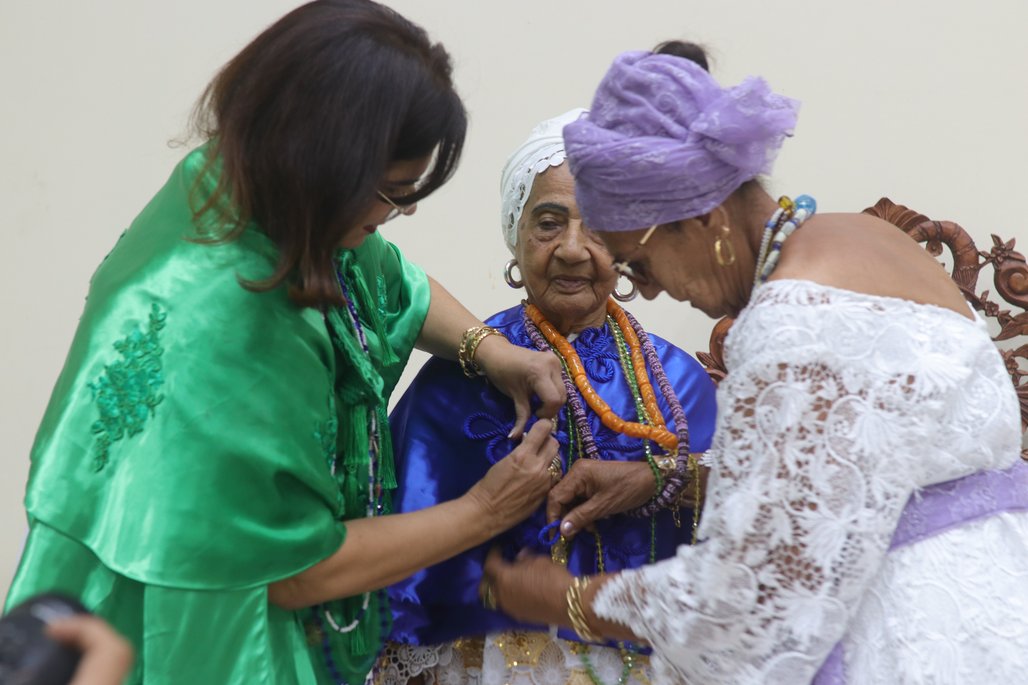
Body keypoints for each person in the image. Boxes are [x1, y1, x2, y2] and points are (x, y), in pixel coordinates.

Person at [3, 2, 566, 683]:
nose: (402, 213)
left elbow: (392, 282)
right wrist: (484, 511)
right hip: (184, 624)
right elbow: (297, 567)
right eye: (390, 193)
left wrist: (490, 349)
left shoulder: (251, 186)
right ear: (322, 164)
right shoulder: (225, 322)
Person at [481, 41, 1028, 684]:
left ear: (706, 218)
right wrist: (669, 479)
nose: (650, 290)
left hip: (910, 640)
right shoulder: (870, 237)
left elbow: (745, 609)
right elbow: (860, 455)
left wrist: (568, 598)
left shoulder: (792, 318)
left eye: (639, 263)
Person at [378, 109, 718, 685]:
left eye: (599, 227)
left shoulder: (679, 381)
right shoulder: (455, 378)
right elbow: (403, 566)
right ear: (515, 236)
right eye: (548, 223)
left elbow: (744, 531)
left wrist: (666, 481)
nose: (572, 249)